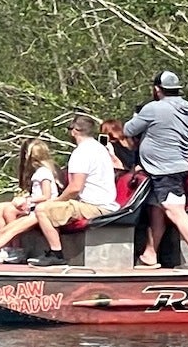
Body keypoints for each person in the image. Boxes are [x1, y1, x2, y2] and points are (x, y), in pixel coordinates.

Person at [125, 70, 188, 270]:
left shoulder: (153, 108)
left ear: (157, 89)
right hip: (174, 166)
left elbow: (129, 130)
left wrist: (138, 115)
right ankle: (150, 255)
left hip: (164, 170)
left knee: (175, 212)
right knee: (157, 211)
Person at [29, 114, 123, 266]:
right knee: (49, 208)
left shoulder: (82, 152)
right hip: (103, 203)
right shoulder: (100, 148)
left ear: (74, 131)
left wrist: (55, 201)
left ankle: (56, 254)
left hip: (95, 206)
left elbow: (75, 188)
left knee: (42, 209)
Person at [0, 139, 60, 231]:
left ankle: (13, 240)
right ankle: (5, 237)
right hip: (33, 202)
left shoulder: (45, 172)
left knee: (9, 210)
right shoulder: (35, 172)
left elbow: (47, 195)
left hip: (42, 206)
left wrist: (27, 200)